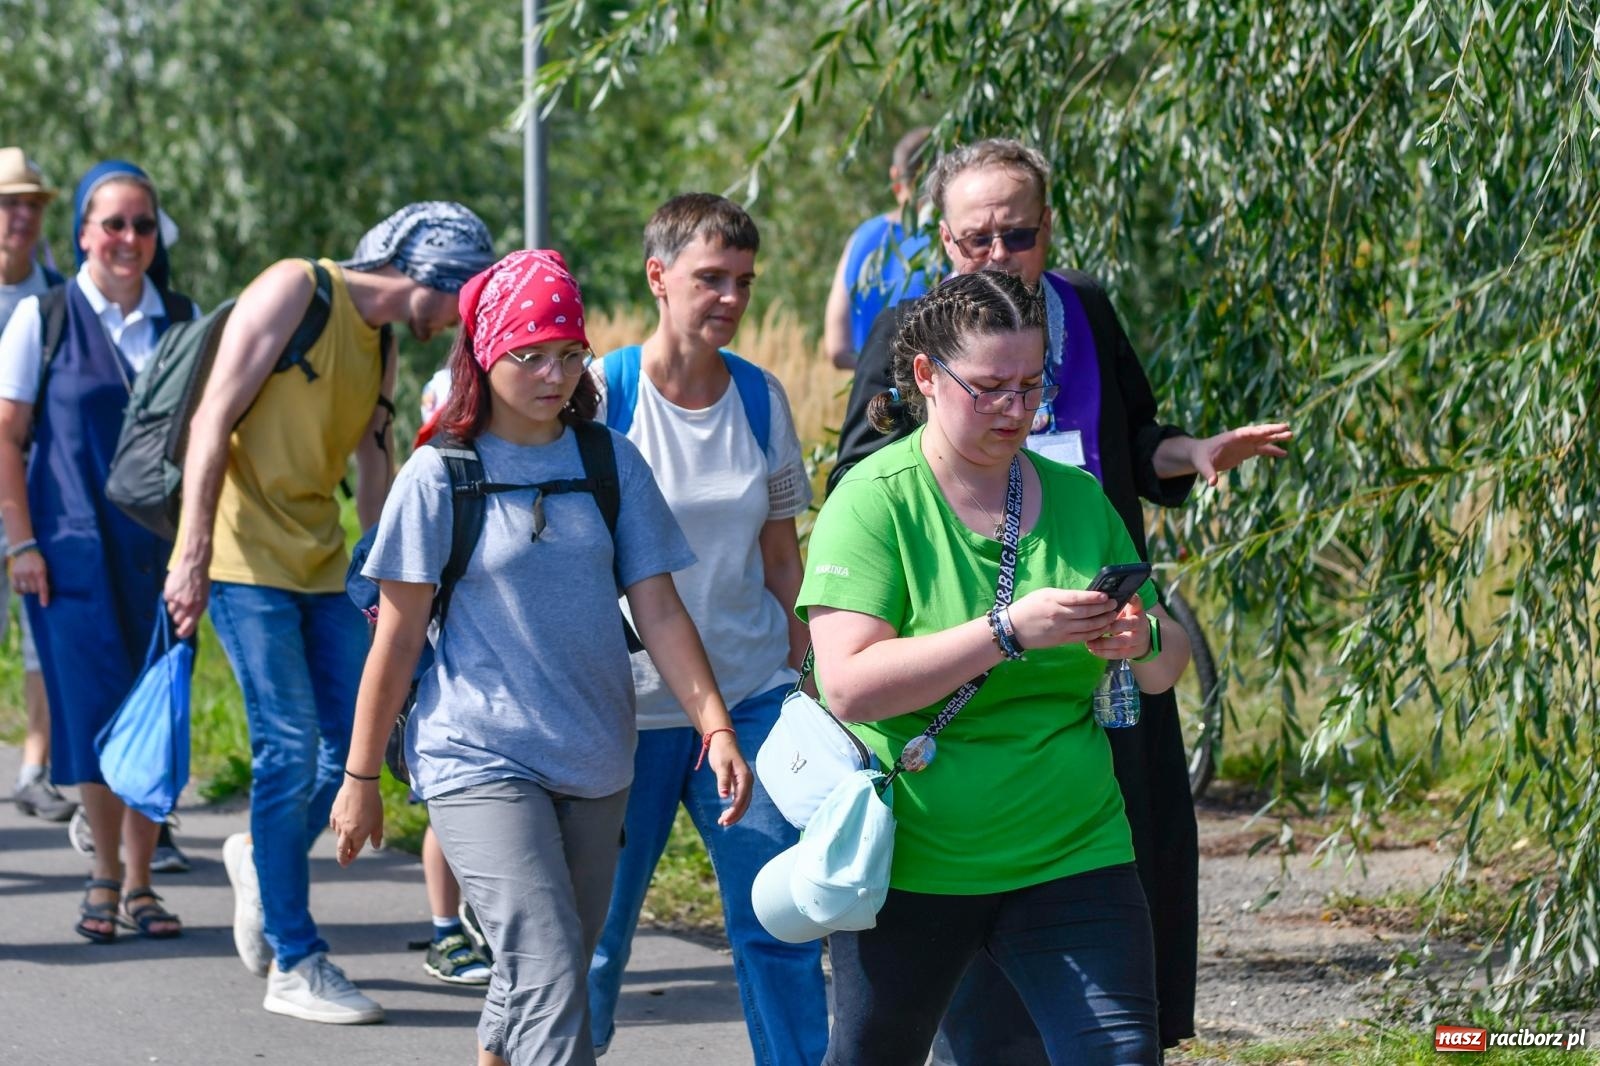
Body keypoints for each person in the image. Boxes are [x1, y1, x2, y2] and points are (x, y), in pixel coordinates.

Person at [830, 138, 1292, 1060]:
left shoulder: (1086, 323)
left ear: (1048, 229)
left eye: (1020, 233)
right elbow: (858, 499)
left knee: (1117, 1029)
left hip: (1084, 707)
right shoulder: (901, 380)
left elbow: (1136, 439)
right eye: (976, 240)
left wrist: (1189, 459)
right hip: (945, 764)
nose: (999, 255)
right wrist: (991, 582)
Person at [330, 248, 753, 1066]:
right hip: (476, 753)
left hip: (596, 754)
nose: (554, 374)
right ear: (485, 354)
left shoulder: (609, 463)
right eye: (532, 356)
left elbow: (659, 608)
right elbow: (397, 637)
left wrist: (716, 727)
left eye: (569, 354)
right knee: (553, 972)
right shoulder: (437, 476)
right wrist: (359, 781)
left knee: (535, 976)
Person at [799, 269, 1192, 1064]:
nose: (1019, 409)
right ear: (924, 377)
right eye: (990, 388)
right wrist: (1007, 631)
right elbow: (847, 684)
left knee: (1120, 1055)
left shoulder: (1078, 498)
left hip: (1075, 851)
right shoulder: (874, 501)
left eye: (1031, 383)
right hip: (915, 861)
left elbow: (1164, 665)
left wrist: (1138, 638)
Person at [163, 201, 495, 1024]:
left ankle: (260, 855)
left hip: (316, 560)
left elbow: (375, 465)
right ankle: (295, 960)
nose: (462, 325)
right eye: (463, 302)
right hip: (243, 558)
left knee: (356, 746)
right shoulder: (293, 289)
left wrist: (394, 579)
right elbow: (211, 420)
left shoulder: (380, 347)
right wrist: (191, 552)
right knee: (284, 747)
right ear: (432, 280)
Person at [584, 194, 828, 1065]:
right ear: (658, 278)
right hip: (626, 711)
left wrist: (813, 680)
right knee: (597, 943)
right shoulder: (602, 395)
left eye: (743, 282)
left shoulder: (761, 400)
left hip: (751, 699)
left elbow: (782, 563)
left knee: (781, 924)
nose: (729, 297)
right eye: (709, 278)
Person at [0, 160, 200, 942]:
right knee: (90, 715)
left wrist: (198, 548)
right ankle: (103, 874)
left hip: (160, 555)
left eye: (142, 224)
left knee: (155, 714)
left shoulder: (181, 322)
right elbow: (8, 439)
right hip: (67, 554)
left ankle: (144, 881)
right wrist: (20, 541)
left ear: (157, 238)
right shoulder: (41, 320)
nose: (127, 238)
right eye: (111, 223)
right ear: (82, 231)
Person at [0, 147, 70, 823]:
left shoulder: (54, 297)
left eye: (30, 204)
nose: (20, 215)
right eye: (8, 202)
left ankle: (34, 768)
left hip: (30, 494)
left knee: (37, 634)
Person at [822, 127, 935, 371]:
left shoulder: (862, 238)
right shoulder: (950, 242)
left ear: (896, 177)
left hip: (870, 399)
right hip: (930, 396)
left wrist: (876, 370)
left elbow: (836, 349)